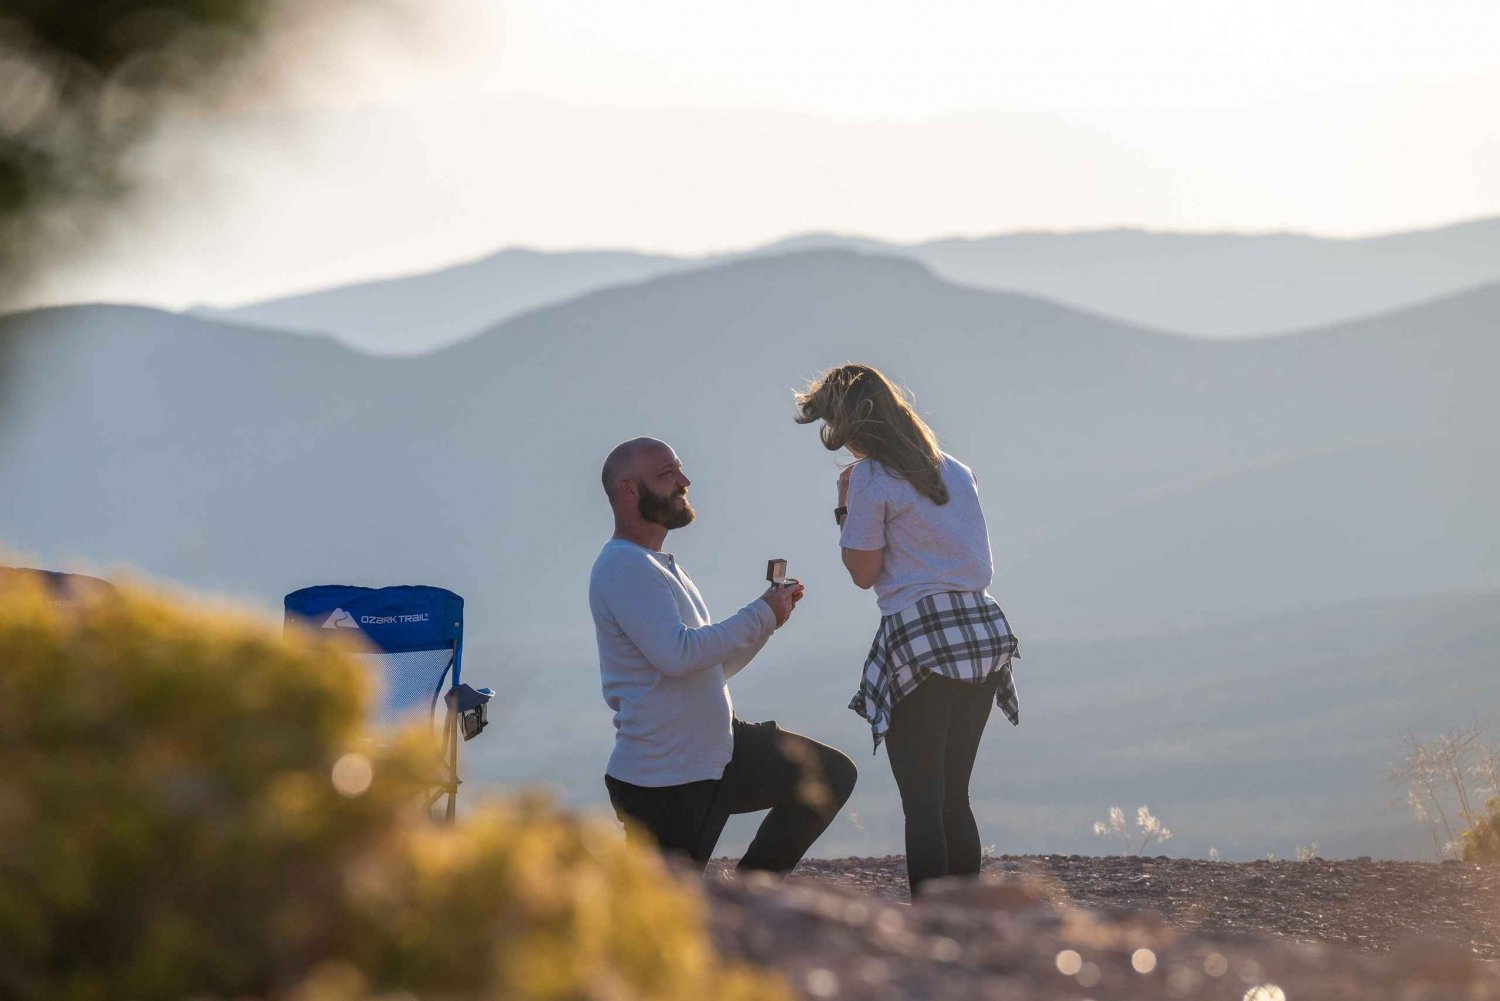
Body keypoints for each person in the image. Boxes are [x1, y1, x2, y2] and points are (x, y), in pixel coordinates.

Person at [793, 365, 1020, 896]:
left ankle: (936, 922)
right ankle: (967, 916)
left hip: (922, 637)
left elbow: (862, 572)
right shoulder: (957, 471)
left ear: (849, 428)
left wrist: (846, 503)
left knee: (922, 798)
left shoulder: (872, 477)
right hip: (983, 631)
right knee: (954, 796)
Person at [590, 436, 858, 874]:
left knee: (830, 774)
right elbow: (677, 656)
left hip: (717, 754)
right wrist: (759, 614)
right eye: (667, 474)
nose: (684, 481)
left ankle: (751, 897)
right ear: (628, 492)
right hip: (667, 778)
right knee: (664, 915)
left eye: (679, 469)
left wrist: (770, 620)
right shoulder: (625, 566)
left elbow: (708, 667)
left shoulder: (655, 564)